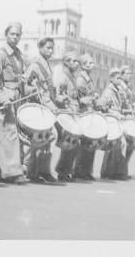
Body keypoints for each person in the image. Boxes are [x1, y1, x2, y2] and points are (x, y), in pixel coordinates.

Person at [0, 22, 28, 185]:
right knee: (10, 134)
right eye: (12, 34)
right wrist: (4, 100)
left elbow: (21, 76)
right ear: (6, 34)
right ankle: (13, 172)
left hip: (17, 97)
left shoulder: (19, 54)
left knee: (3, 136)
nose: (15, 37)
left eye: (18, 34)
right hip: (5, 98)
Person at [23, 37, 60, 183]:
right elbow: (28, 86)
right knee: (42, 138)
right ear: (40, 48)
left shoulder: (47, 65)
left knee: (47, 138)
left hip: (46, 107)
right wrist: (51, 105)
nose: (51, 51)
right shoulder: (35, 65)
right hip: (38, 106)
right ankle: (33, 171)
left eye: (52, 48)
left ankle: (42, 170)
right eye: (48, 48)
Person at [53, 51, 81, 182]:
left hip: (73, 112)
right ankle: (62, 171)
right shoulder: (63, 76)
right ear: (66, 62)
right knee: (70, 142)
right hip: (66, 112)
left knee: (74, 143)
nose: (77, 63)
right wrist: (63, 100)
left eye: (77, 61)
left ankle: (65, 170)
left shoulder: (73, 77)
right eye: (73, 61)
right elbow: (57, 94)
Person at [72, 53, 98, 181]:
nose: (92, 65)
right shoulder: (80, 80)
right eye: (89, 63)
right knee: (85, 143)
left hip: (90, 112)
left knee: (90, 143)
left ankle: (86, 170)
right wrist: (90, 99)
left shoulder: (88, 78)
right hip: (83, 112)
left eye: (92, 62)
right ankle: (79, 170)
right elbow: (78, 98)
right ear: (82, 65)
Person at [97, 68, 126, 179]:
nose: (120, 80)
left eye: (120, 78)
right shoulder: (108, 91)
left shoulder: (117, 90)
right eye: (117, 78)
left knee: (117, 145)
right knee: (113, 145)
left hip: (117, 120)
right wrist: (115, 113)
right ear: (111, 79)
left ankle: (112, 171)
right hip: (112, 120)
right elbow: (101, 105)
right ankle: (107, 172)